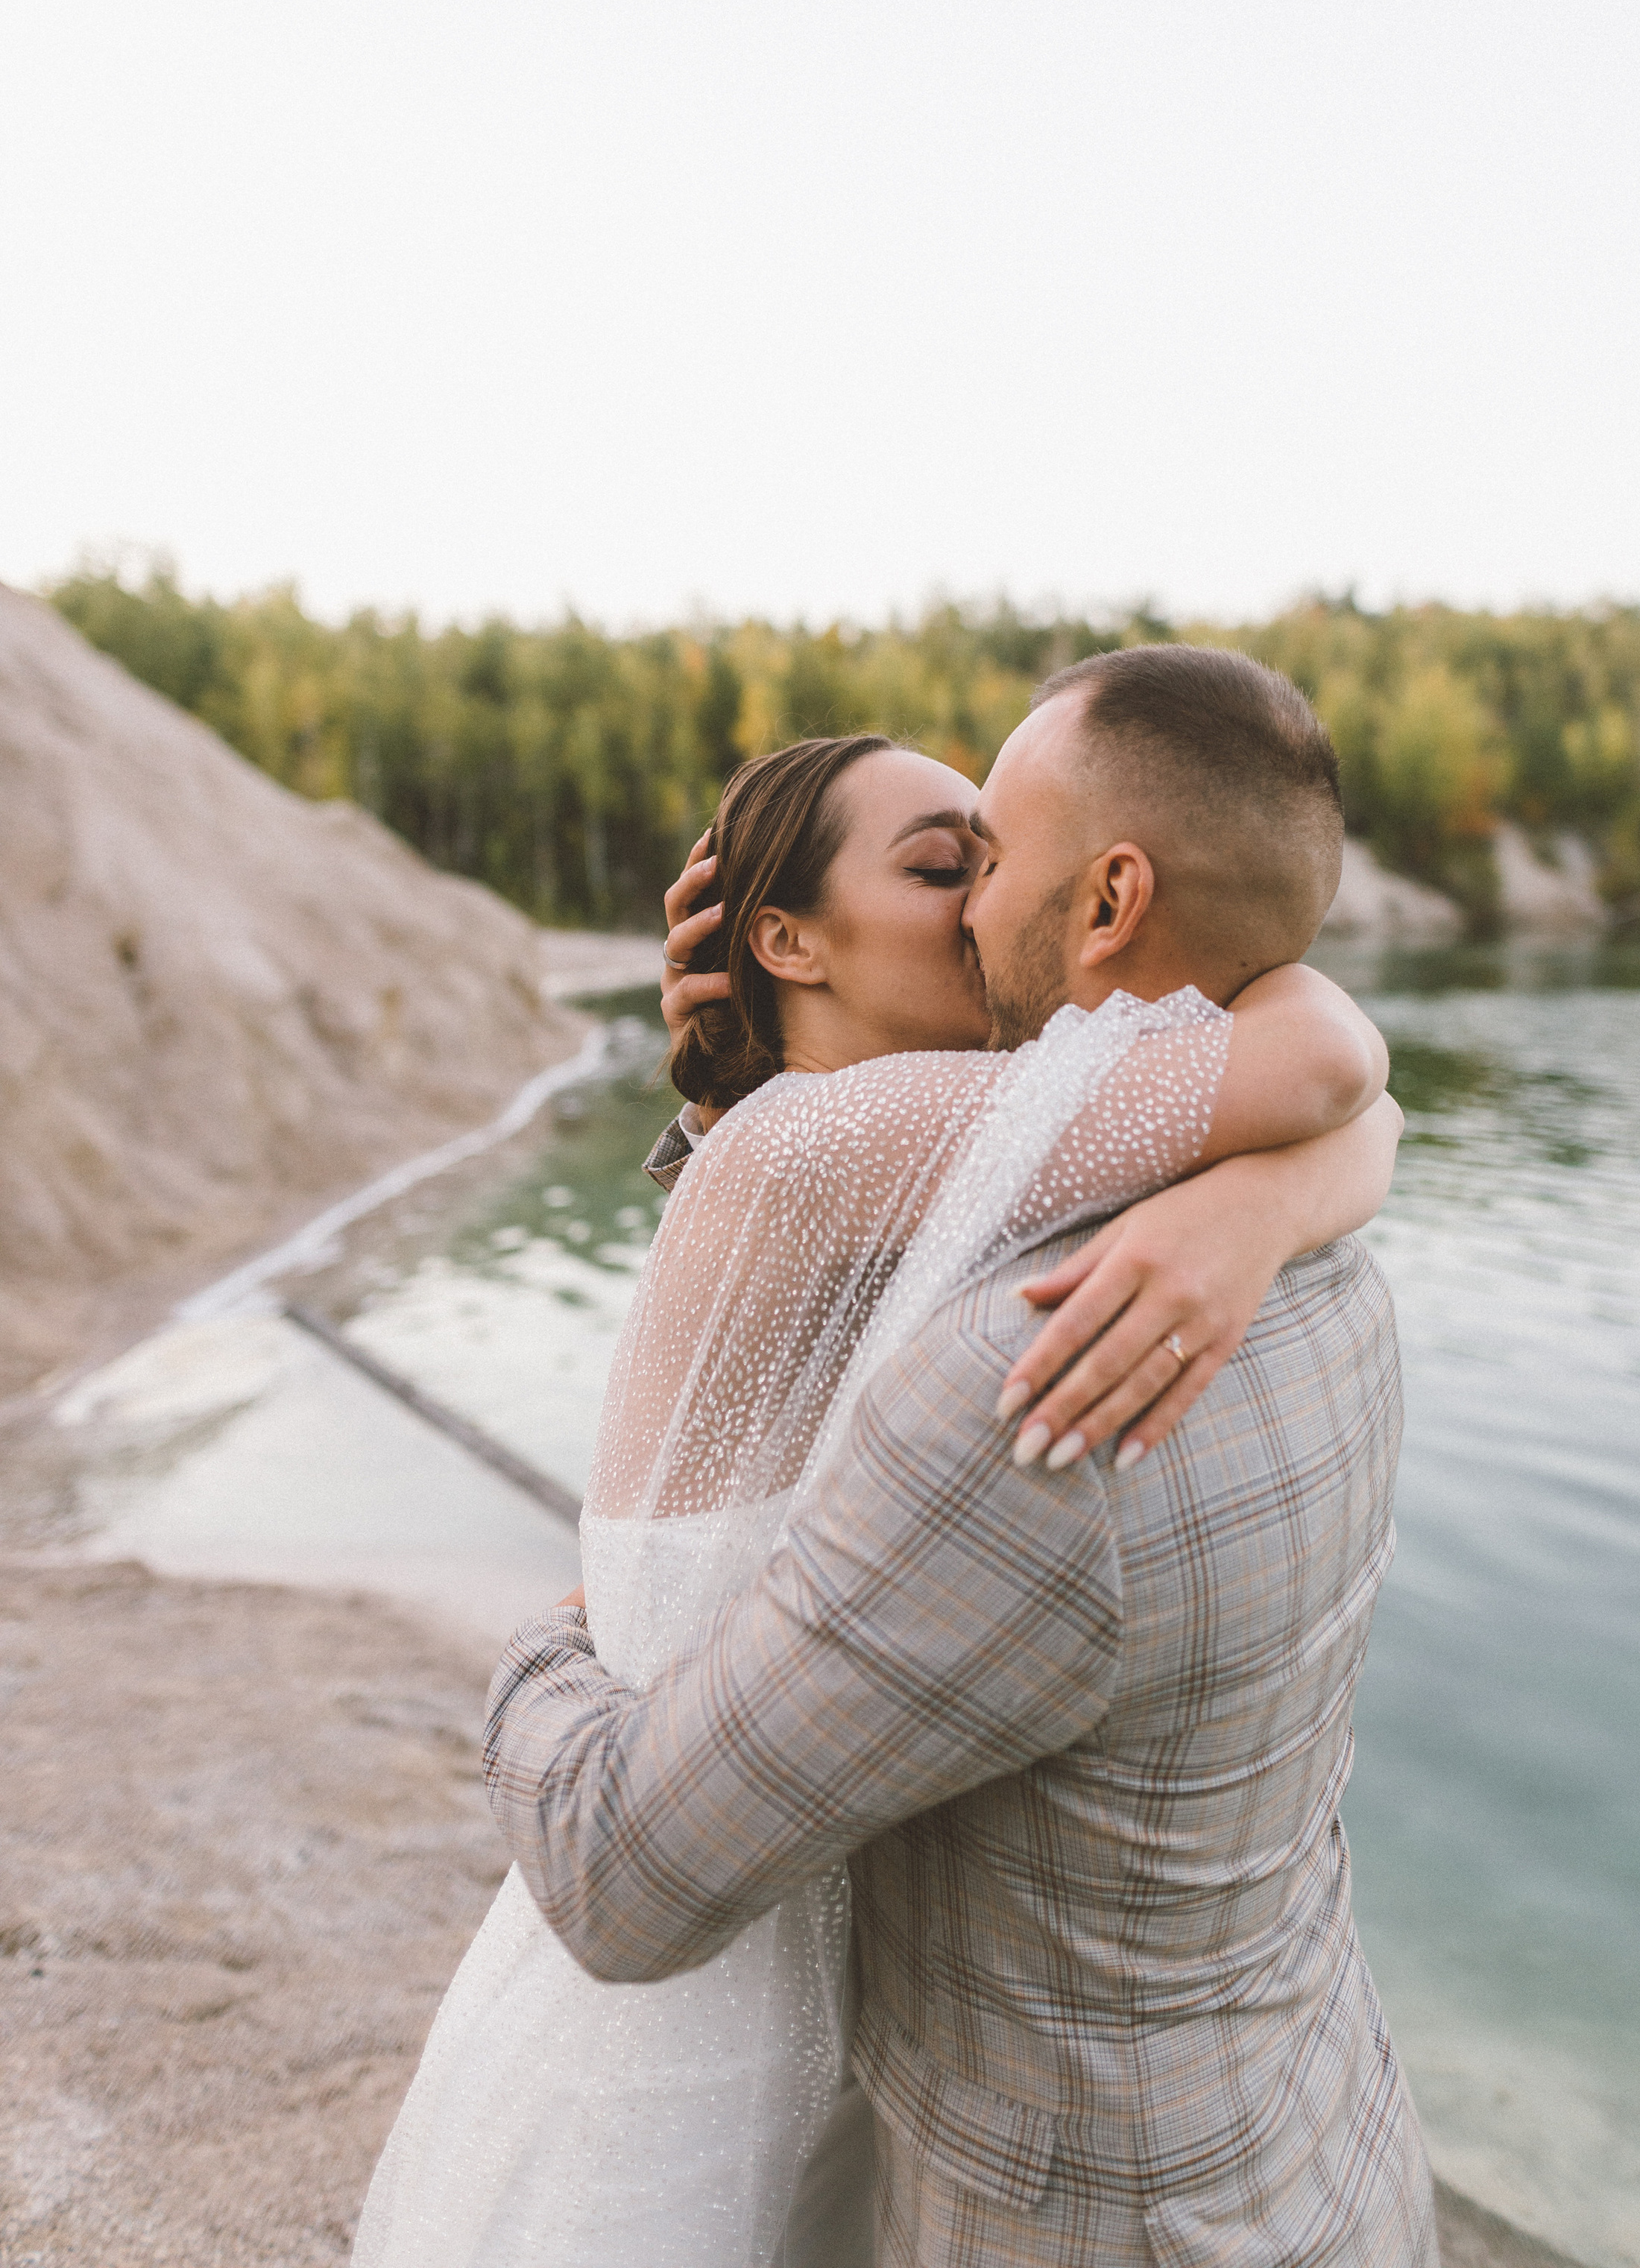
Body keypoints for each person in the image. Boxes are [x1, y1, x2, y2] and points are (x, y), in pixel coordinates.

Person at [353, 653, 1409, 2268]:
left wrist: (549, 1633)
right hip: (1236, 2107)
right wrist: (1284, 1194)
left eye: (990, 859)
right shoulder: (1321, 1282)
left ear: (1108, 898)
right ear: (786, 938)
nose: (978, 900)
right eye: (941, 862)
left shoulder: (1015, 1285)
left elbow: (1324, 1066)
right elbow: (1332, 1061)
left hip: (878, 2001)